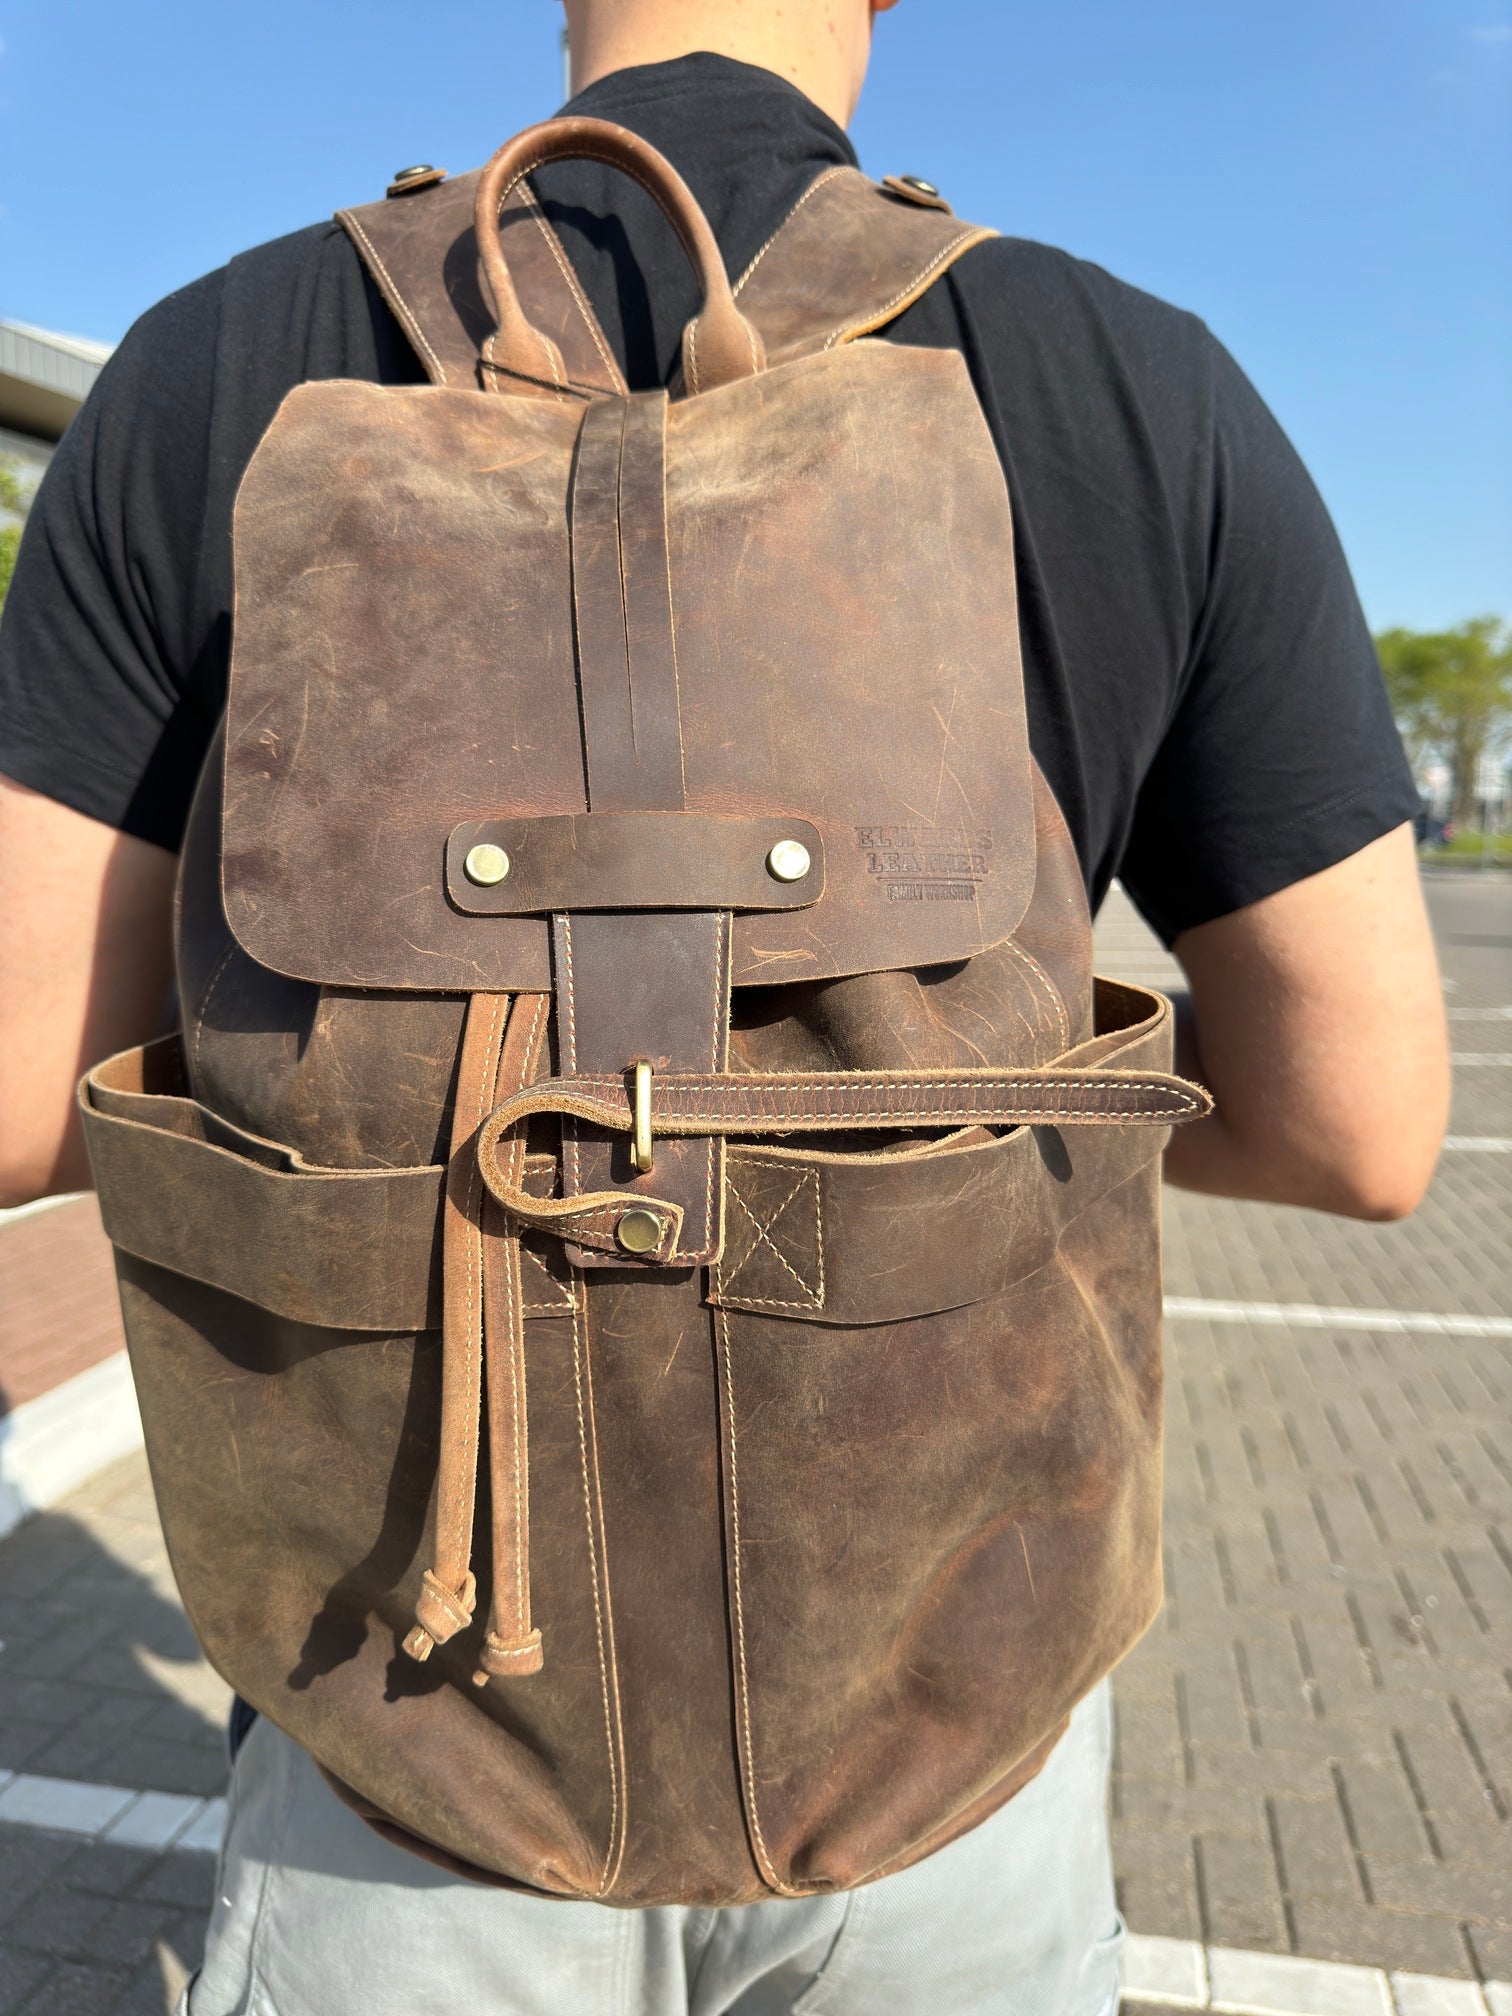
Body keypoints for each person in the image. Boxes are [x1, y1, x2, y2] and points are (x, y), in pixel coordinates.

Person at [0, 2, 1449, 2010]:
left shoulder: (216, 366)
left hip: (398, 1736)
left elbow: (21, 1089)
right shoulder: (1131, 382)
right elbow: (1360, 1128)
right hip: (946, 1761)